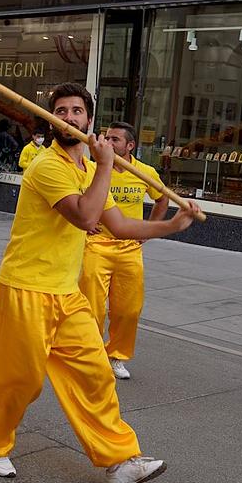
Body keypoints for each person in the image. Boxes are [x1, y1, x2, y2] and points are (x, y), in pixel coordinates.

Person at [0, 82, 200, 483]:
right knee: (17, 380)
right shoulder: (47, 166)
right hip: (26, 288)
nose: (70, 117)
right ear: (53, 119)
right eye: (62, 111)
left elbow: (120, 226)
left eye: (78, 111)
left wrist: (171, 225)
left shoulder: (91, 170)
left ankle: (119, 460)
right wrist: (107, 164)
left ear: (89, 120)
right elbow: (85, 216)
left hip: (67, 293)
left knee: (96, 375)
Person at [79, 122, 169, 381]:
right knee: (92, 305)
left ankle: (116, 356)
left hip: (129, 249)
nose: (108, 142)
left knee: (128, 309)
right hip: (97, 246)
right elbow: (75, 197)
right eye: (107, 138)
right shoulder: (94, 169)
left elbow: (162, 199)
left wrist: (148, 230)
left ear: (130, 146)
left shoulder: (145, 171)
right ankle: (91, 355)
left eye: (115, 139)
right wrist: (84, 226)